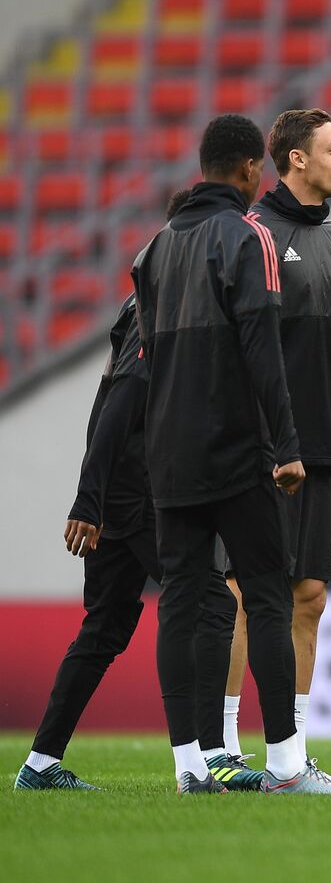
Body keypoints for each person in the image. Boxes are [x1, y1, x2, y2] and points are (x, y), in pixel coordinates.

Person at [131, 114, 331, 794]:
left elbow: (145, 360)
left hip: (168, 453)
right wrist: (285, 446)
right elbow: (261, 348)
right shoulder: (247, 237)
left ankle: (191, 768)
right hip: (235, 450)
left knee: (181, 602)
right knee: (266, 597)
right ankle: (287, 764)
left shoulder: (154, 248)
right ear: (253, 169)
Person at [13, 192, 253, 792]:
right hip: (137, 492)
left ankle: (41, 762)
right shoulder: (162, 305)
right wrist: (89, 498)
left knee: (108, 624)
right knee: (214, 602)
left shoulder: (145, 299)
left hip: (122, 487)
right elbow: (122, 403)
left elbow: (110, 399)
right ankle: (213, 754)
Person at [213, 109, 331, 787]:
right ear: (294, 160)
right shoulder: (254, 237)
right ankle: (224, 747)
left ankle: (292, 757)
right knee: (248, 594)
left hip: (321, 444)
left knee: (309, 595)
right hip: (263, 448)